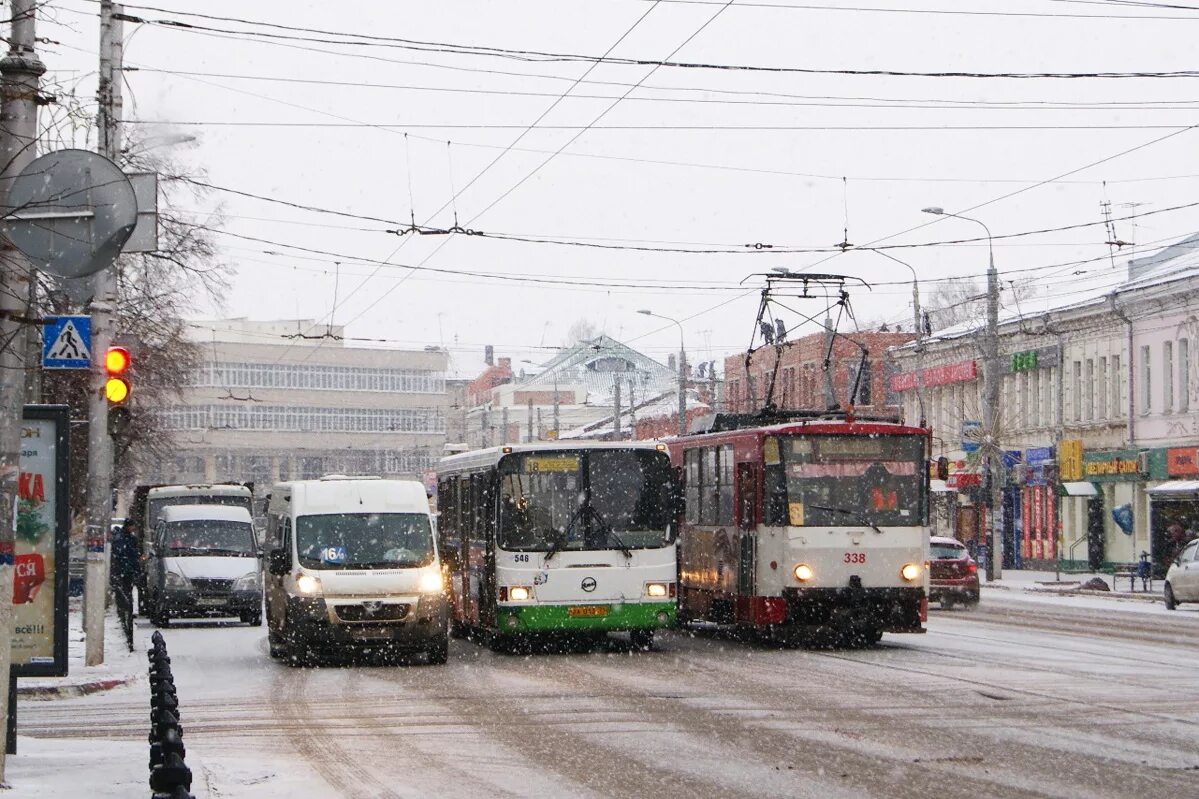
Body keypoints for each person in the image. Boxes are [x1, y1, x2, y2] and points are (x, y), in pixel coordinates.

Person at [109, 523, 140, 651]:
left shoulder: (126, 538)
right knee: (125, 593)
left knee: (126, 593)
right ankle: (125, 611)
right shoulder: (123, 539)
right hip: (124, 571)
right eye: (132, 527)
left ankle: (126, 611)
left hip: (125, 571)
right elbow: (126, 555)